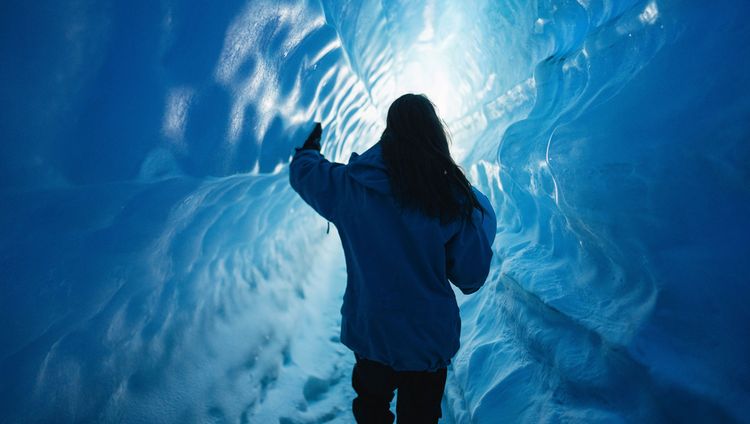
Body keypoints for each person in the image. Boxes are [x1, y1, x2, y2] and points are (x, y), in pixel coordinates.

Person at [289, 93, 496, 423]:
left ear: (389, 129)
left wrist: (309, 148)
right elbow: (470, 278)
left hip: (373, 332)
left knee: (371, 408)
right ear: (434, 131)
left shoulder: (350, 186)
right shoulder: (452, 197)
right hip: (427, 339)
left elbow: (306, 173)